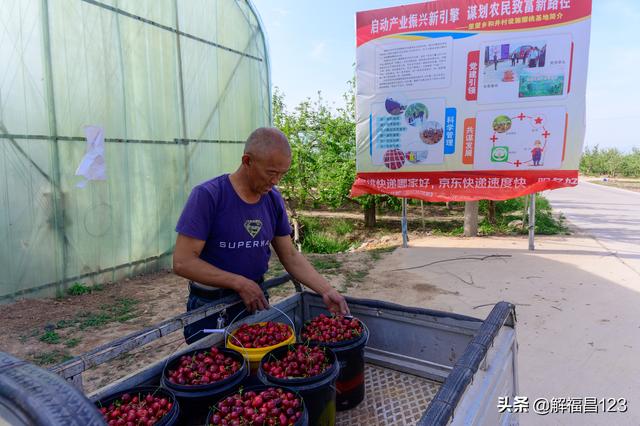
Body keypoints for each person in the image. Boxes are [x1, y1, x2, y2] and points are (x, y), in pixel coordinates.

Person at [173, 127, 349, 343]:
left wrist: (326, 289)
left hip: (254, 299)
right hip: (211, 307)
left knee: (258, 367)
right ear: (247, 161)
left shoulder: (272, 199)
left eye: (282, 174)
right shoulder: (209, 196)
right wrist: (238, 283)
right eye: (271, 173)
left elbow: (290, 256)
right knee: (216, 369)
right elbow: (183, 262)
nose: (276, 181)